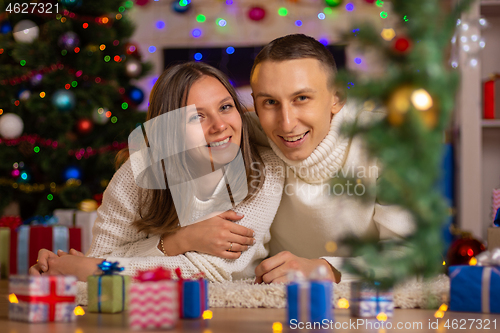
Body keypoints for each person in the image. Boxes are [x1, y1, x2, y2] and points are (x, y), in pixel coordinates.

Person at [29, 62, 284, 282]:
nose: (219, 125)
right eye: (197, 117)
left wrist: (94, 270)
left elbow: (210, 271)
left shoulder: (265, 171)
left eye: (226, 107)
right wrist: (178, 242)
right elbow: (103, 255)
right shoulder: (137, 175)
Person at [249, 34, 415, 283]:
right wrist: (176, 238)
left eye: (301, 98)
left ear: (336, 97)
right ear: (255, 104)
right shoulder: (245, 134)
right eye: (270, 102)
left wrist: (326, 269)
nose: (286, 122)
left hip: (363, 310)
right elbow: (177, 130)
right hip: (278, 302)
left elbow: (411, 260)